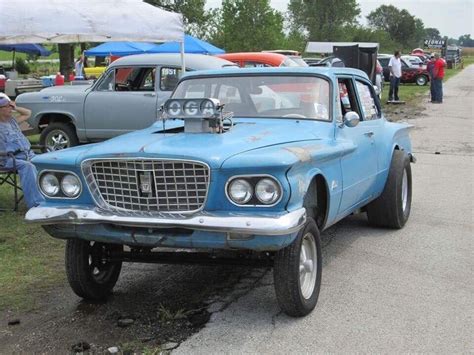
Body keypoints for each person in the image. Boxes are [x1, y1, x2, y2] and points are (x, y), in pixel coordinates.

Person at [0, 94, 44, 208]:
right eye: (7, 106)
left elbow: (27, 113)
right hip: (8, 159)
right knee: (28, 166)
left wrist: (14, 107)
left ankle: (57, 197)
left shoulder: (13, 121)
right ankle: (36, 205)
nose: (10, 108)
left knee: (51, 160)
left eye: (11, 106)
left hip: (28, 154)